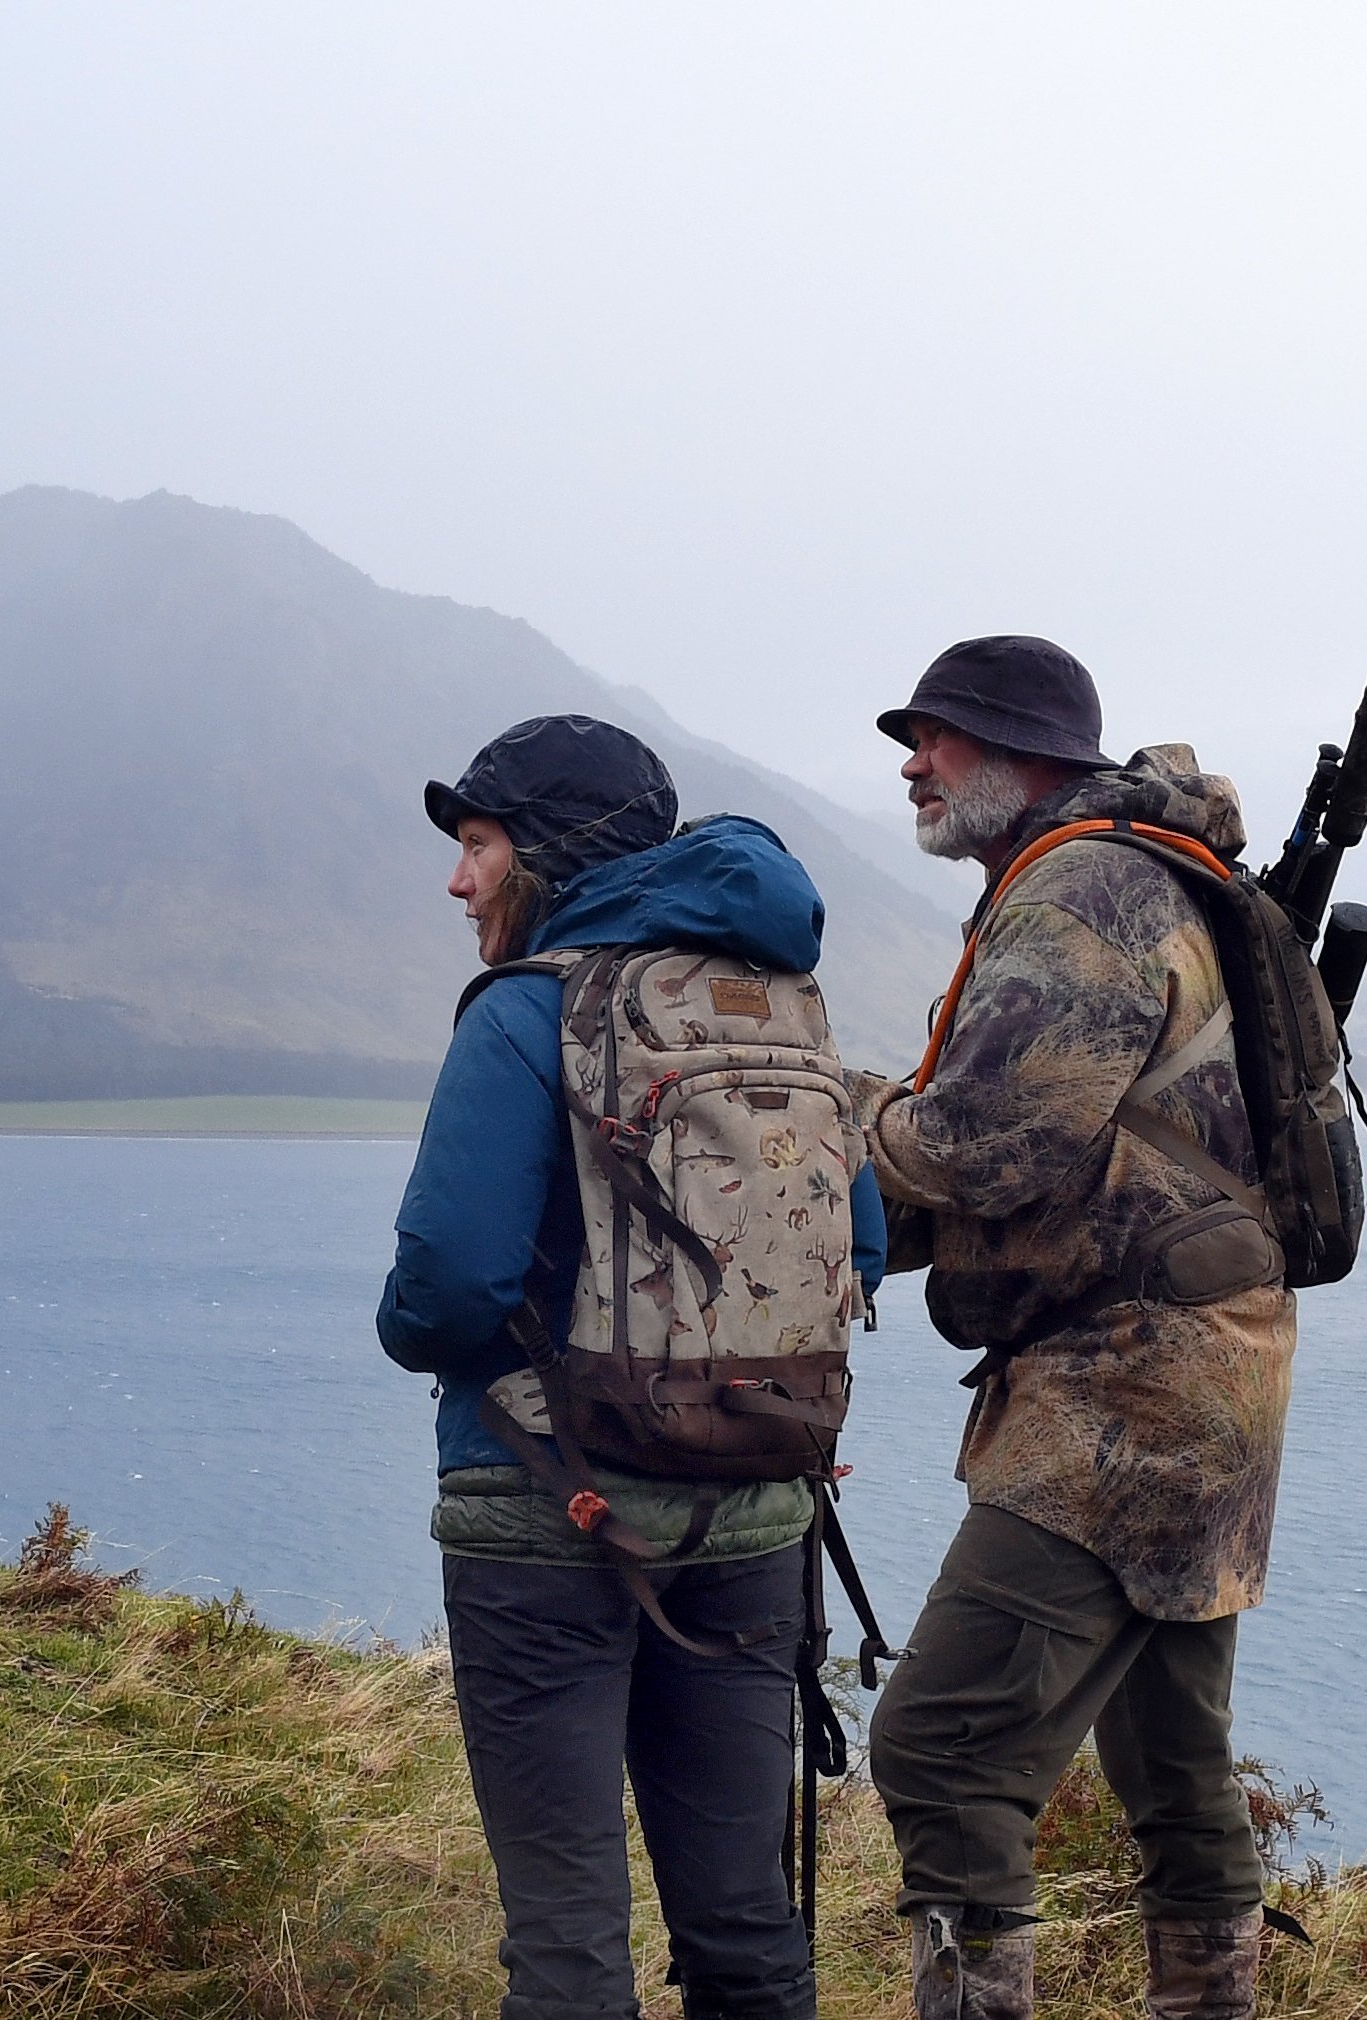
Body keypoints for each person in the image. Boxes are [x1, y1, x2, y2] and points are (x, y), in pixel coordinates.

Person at [377, 713, 884, 2020]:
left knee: (566, 1941)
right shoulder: (780, 1010)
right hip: (758, 1524)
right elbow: (859, 1255)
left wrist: (415, 1339)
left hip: (547, 1514)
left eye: (476, 845)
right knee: (743, 1923)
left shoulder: (527, 1009)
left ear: (543, 855)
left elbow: (445, 1290)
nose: (455, 879)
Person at [849, 638, 1294, 2020]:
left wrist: (830, 1116)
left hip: (1126, 1390)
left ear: (1022, 752)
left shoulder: (1080, 892)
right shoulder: (1137, 875)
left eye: (936, 737)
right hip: (1208, 1374)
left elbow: (987, 1145)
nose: (911, 764)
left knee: (938, 1753)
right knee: (1172, 1761)